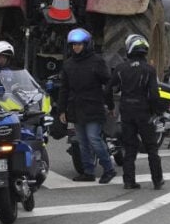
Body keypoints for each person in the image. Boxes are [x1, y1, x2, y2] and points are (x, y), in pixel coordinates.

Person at [57, 28, 117, 184]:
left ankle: (109, 169)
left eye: (79, 44)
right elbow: (64, 88)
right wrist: (62, 110)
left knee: (94, 139)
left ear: (87, 44)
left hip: (93, 107)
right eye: (73, 45)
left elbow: (107, 84)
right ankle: (88, 171)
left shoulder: (97, 61)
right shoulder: (68, 64)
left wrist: (110, 105)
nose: (76, 47)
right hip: (76, 108)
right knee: (82, 142)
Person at [107, 35, 164, 191]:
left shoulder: (120, 68)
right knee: (152, 148)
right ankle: (157, 180)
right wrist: (157, 111)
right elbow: (154, 94)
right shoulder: (149, 70)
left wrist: (111, 106)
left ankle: (129, 181)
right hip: (144, 113)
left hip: (126, 112)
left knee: (130, 148)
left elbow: (108, 88)